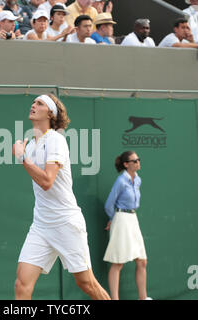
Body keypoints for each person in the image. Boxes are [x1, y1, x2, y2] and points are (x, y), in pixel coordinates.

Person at [12, 94, 111, 300]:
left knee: (86, 283)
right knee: (22, 284)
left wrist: (22, 158)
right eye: (33, 102)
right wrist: (25, 155)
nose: (33, 105)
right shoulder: (30, 145)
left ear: (50, 113)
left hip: (66, 223)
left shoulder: (56, 140)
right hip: (41, 225)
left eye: (39, 103)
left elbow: (47, 181)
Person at [104, 151, 151, 300]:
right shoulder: (121, 181)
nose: (138, 162)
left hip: (133, 219)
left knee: (142, 261)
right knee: (118, 263)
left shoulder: (138, 180)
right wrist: (113, 218)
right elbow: (109, 204)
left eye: (138, 159)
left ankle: (143, 298)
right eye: (135, 160)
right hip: (121, 220)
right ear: (126, 164)